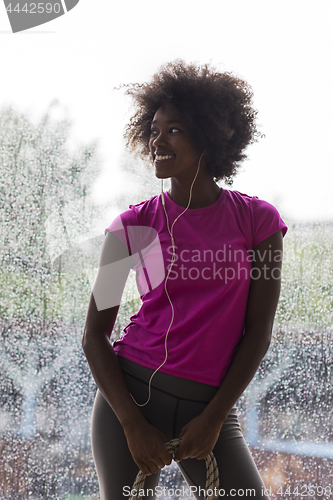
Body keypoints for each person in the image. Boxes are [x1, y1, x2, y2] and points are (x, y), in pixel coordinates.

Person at [82, 61, 288, 499]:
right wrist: (132, 425)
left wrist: (215, 418)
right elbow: (93, 335)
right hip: (129, 403)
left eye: (173, 129)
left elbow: (259, 335)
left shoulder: (259, 223)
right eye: (153, 130)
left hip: (210, 408)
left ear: (210, 135)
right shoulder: (130, 227)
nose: (157, 140)